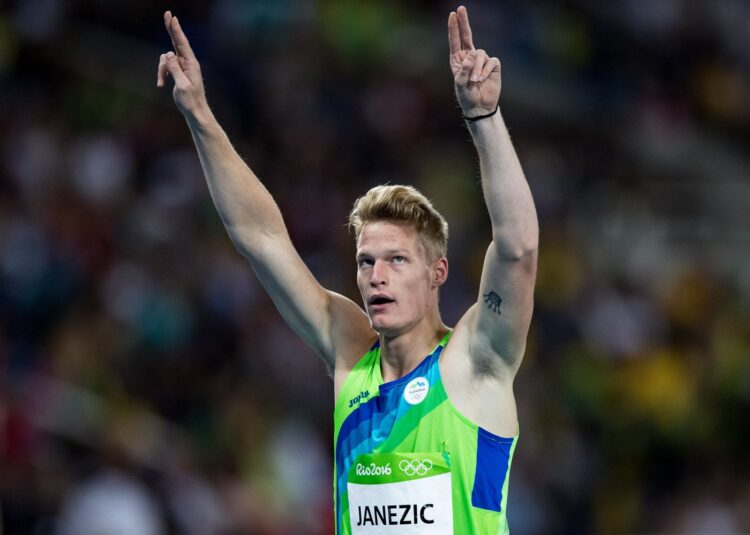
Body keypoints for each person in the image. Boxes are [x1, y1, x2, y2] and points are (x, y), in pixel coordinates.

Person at [157, 5, 537, 534]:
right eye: (366, 261)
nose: (377, 275)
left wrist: (484, 118)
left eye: (397, 259)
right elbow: (261, 237)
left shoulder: (476, 362)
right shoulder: (350, 353)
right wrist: (199, 114)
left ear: (438, 272)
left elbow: (517, 248)